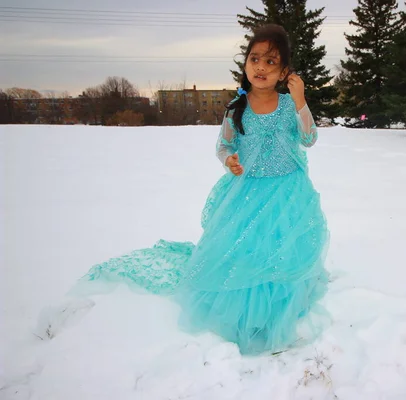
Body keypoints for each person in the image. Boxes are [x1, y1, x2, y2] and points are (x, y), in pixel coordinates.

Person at [78, 24, 330, 355]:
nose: (261, 67)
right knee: (244, 249)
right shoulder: (236, 109)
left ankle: (276, 304)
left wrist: (300, 102)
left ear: (284, 71)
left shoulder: (287, 105)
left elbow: (309, 139)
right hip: (249, 193)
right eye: (255, 59)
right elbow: (223, 146)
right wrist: (230, 161)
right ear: (245, 64)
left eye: (271, 62)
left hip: (286, 193)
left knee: (280, 249)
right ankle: (244, 306)